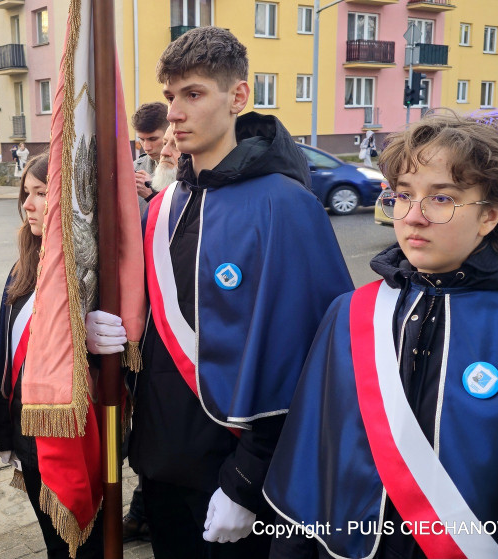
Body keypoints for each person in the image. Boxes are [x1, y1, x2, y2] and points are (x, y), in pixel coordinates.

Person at [264, 112, 498, 559]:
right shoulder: (350, 315)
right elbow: (313, 460)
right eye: (403, 196)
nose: (413, 217)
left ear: (490, 215)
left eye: (441, 199)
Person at [92, 27, 353, 559]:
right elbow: (158, 330)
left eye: (193, 94)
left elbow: (307, 358)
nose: (175, 114)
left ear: (238, 97)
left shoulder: (286, 205)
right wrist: (111, 335)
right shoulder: (163, 207)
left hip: (236, 470)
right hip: (159, 461)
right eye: (170, 98)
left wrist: (246, 481)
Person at [0, 153, 105, 558]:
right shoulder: (24, 265)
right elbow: (6, 361)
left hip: (75, 434)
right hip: (28, 431)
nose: (28, 204)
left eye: (41, 193)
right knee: (54, 543)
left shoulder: (93, 270)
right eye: (26, 193)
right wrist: (3, 428)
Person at [132, 101, 169, 212]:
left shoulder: (189, 169)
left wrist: (153, 192)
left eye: (153, 139)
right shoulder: (135, 167)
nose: (146, 147)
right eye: (142, 139)